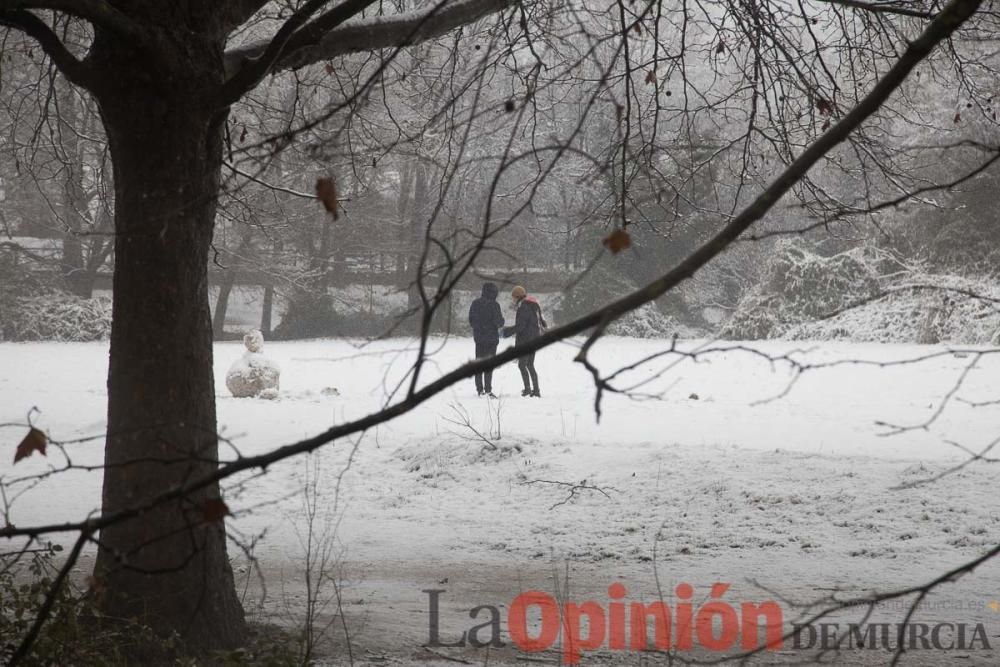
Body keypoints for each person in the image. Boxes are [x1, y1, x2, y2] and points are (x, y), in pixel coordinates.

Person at [502, 285, 547, 397]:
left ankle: (528, 390)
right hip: (535, 339)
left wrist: (507, 332)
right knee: (530, 364)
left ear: (517, 297)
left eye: (513, 297)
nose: (513, 300)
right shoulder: (534, 305)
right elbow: (542, 322)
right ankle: (536, 390)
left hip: (526, 340)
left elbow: (521, 326)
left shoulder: (524, 307)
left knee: (522, 365)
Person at [468, 282, 504, 397]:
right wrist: (500, 322)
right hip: (491, 339)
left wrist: (479, 328)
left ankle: (479, 390)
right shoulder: (494, 305)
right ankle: (488, 389)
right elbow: (498, 322)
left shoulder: (475, 304)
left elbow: (471, 320)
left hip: (479, 339)